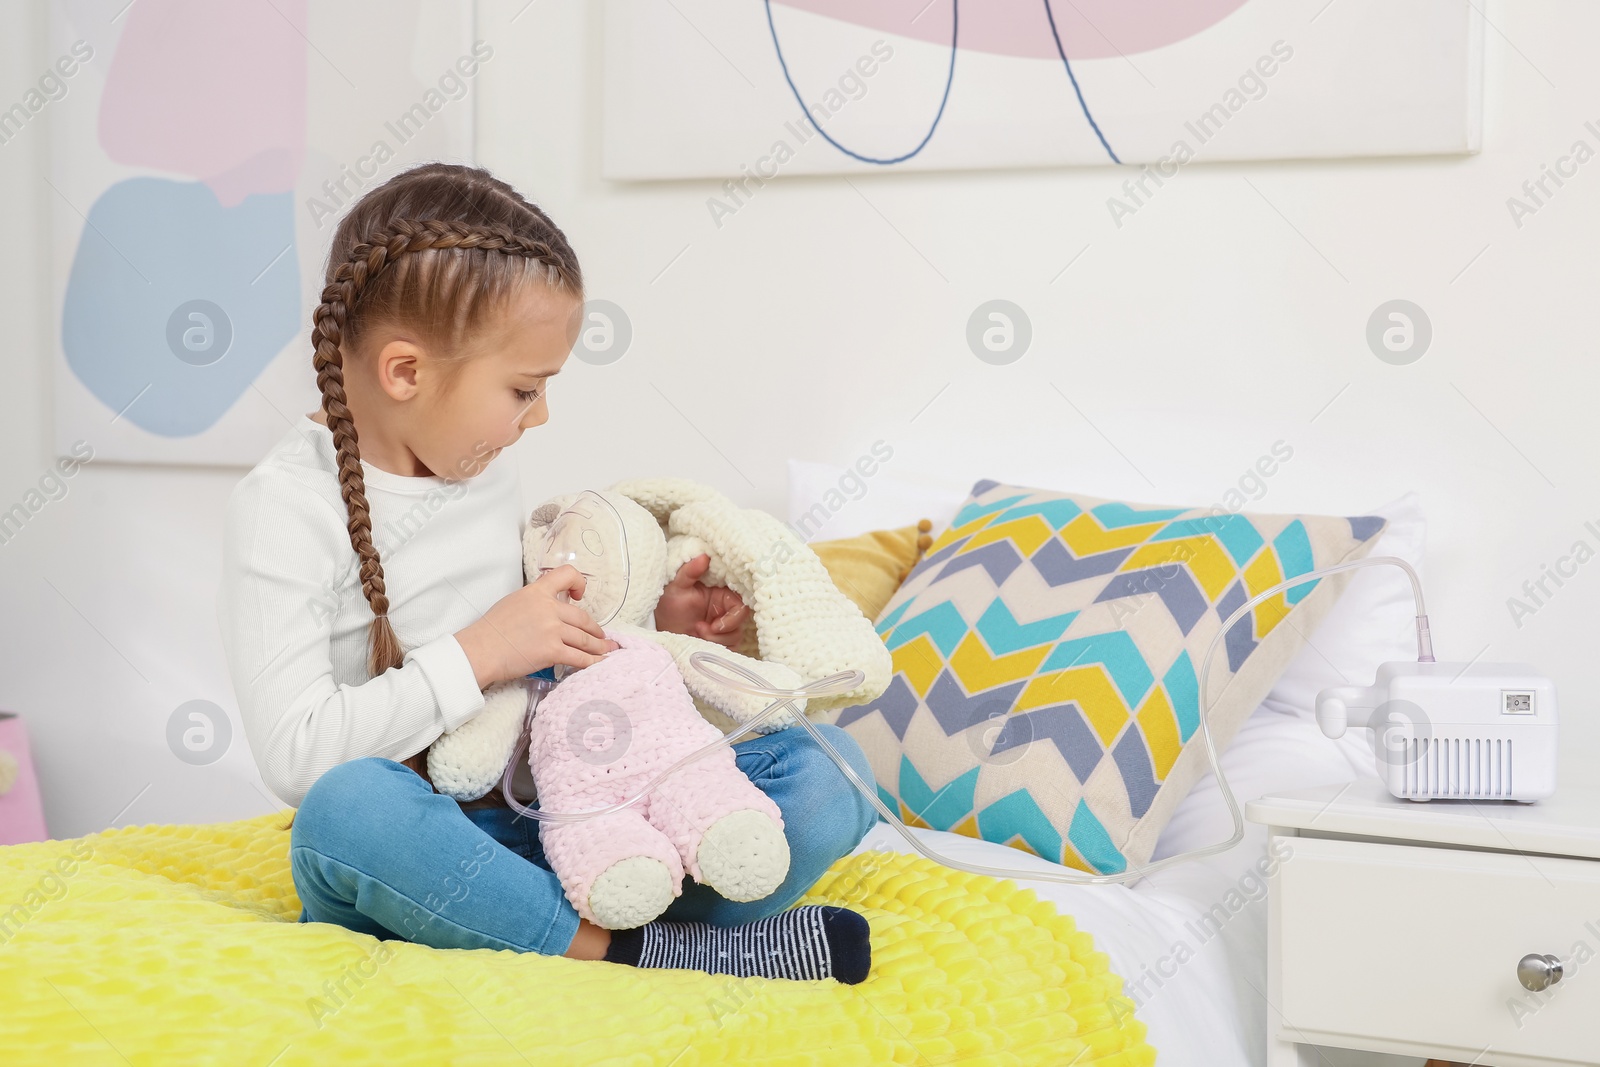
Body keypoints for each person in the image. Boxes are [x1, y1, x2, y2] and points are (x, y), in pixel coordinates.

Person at [216, 162, 877, 983]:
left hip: (566, 820)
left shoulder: (476, 466)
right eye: (525, 390)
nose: (542, 416)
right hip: (432, 842)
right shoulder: (284, 507)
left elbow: (543, 651)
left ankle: (559, 918)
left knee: (829, 772)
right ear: (406, 372)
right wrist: (481, 651)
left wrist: (656, 622)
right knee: (344, 814)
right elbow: (295, 755)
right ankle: (645, 948)